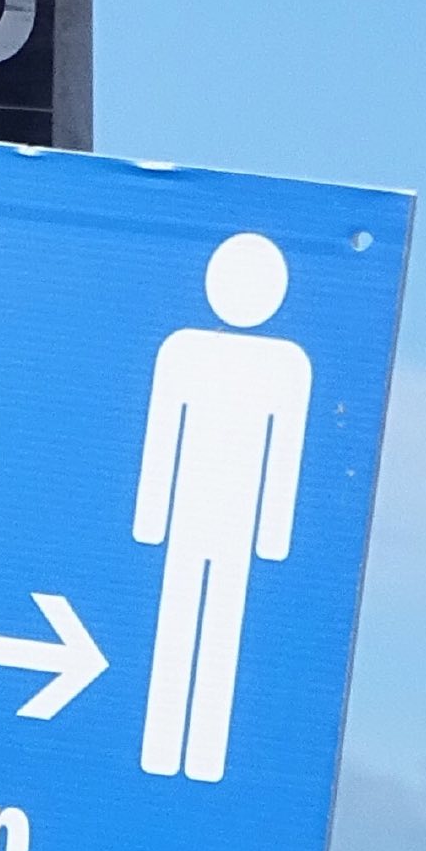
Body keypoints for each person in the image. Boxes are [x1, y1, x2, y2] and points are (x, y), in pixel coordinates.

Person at [131, 231, 309, 782]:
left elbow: (284, 454)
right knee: (181, 621)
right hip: (193, 517)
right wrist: (151, 518)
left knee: (219, 631)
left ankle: (203, 755)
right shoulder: (183, 350)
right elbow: (164, 436)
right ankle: (164, 747)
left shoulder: (287, 365)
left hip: (234, 523)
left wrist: (273, 535)